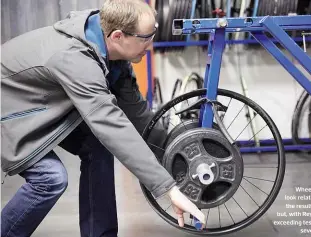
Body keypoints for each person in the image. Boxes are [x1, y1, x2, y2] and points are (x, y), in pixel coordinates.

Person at [0, 0, 205, 236]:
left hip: (43, 104)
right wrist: (168, 189)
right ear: (118, 36)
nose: (150, 45)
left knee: (98, 148)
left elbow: (137, 113)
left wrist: (177, 162)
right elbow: (110, 124)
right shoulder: (74, 59)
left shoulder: (111, 51)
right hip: (10, 110)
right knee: (51, 178)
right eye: (145, 38)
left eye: (153, 34)